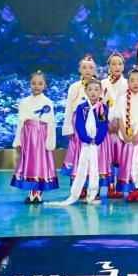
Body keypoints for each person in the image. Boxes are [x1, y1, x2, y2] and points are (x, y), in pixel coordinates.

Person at [47, 78, 109, 206]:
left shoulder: (102, 108)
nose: (93, 92)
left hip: (97, 143)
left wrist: (97, 139)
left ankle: (95, 191)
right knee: (83, 163)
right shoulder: (82, 107)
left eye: (96, 89)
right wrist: (86, 138)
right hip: (84, 142)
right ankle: (83, 189)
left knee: (96, 165)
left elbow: (103, 125)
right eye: (90, 90)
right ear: (85, 91)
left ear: (101, 91)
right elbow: (79, 125)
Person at [11, 71, 58, 204]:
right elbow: (20, 122)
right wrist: (18, 140)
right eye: (34, 83)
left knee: (41, 163)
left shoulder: (47, 102)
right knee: (30, 163)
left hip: (42, 135)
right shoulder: (24, 102)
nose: (36, 86)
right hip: (28, 136)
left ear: (45, 86)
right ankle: (31, 193)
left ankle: (38, 194)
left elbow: (51, 123)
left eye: (40, 84)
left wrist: (49, 140)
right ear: (30, 84)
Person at [61, 55, 96, 198]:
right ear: (79, 70)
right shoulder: (75, 87)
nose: (87, 70)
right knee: (79, 155)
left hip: (94, 124)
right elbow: (69, 108)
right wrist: (68, 127)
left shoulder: (99, 86)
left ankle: (93, 186)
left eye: (91, 68)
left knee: (93, 155)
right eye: (84, 67)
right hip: (78, 125)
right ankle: (79, 187)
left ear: (95, 70)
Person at [114, 69, 138, 202]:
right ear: (128, 82)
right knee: (127, 162)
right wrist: (124, 133)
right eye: (132, 80)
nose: (135, 83)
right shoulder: (122, 99)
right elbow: (120, 117)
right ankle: (130, 189)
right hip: (127, 137)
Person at [101, 52, 127, 198]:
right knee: (108, 155)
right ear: (109, 66)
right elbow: (99, 106)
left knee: (121, 156)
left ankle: (120, 185)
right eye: (113, 64)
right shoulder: (103, 84)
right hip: (107, 127)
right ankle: (110, 184)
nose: (117, 66)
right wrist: (106, 123)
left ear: (123, 66)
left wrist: (121, 124)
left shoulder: (127, 83)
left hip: (122, 126)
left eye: (120, 64)